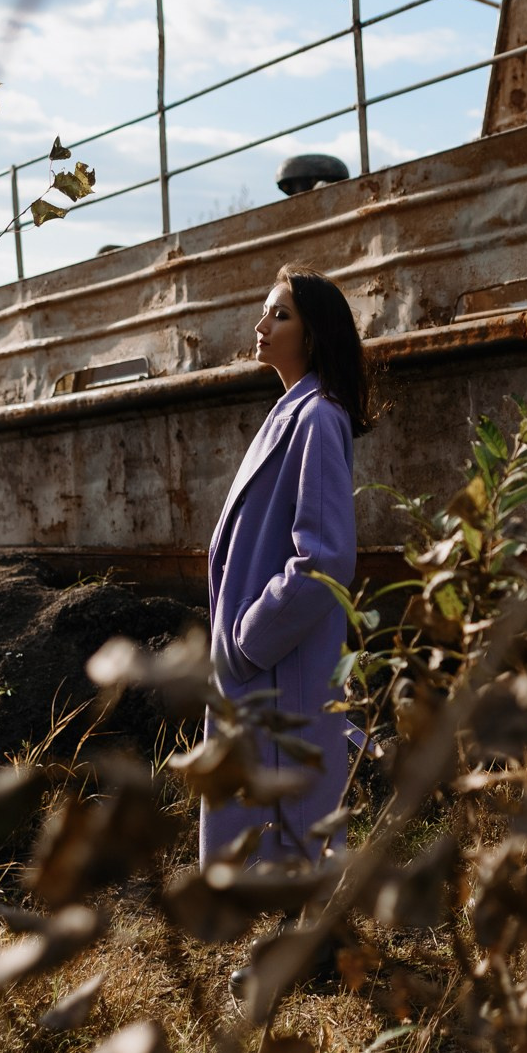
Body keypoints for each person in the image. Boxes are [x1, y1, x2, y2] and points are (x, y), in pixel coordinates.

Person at [202, 264, 374, 868]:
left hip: (278, 665)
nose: (262, 324)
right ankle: (286, 950)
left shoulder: (319, 416)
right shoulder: (288, 413)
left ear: (314, 332)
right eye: (266, 311)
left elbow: (324, 554)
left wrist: (251, 637)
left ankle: (305, 952)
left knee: (287, 829)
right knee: (265, 825)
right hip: (259, 669)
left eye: (281, 314)